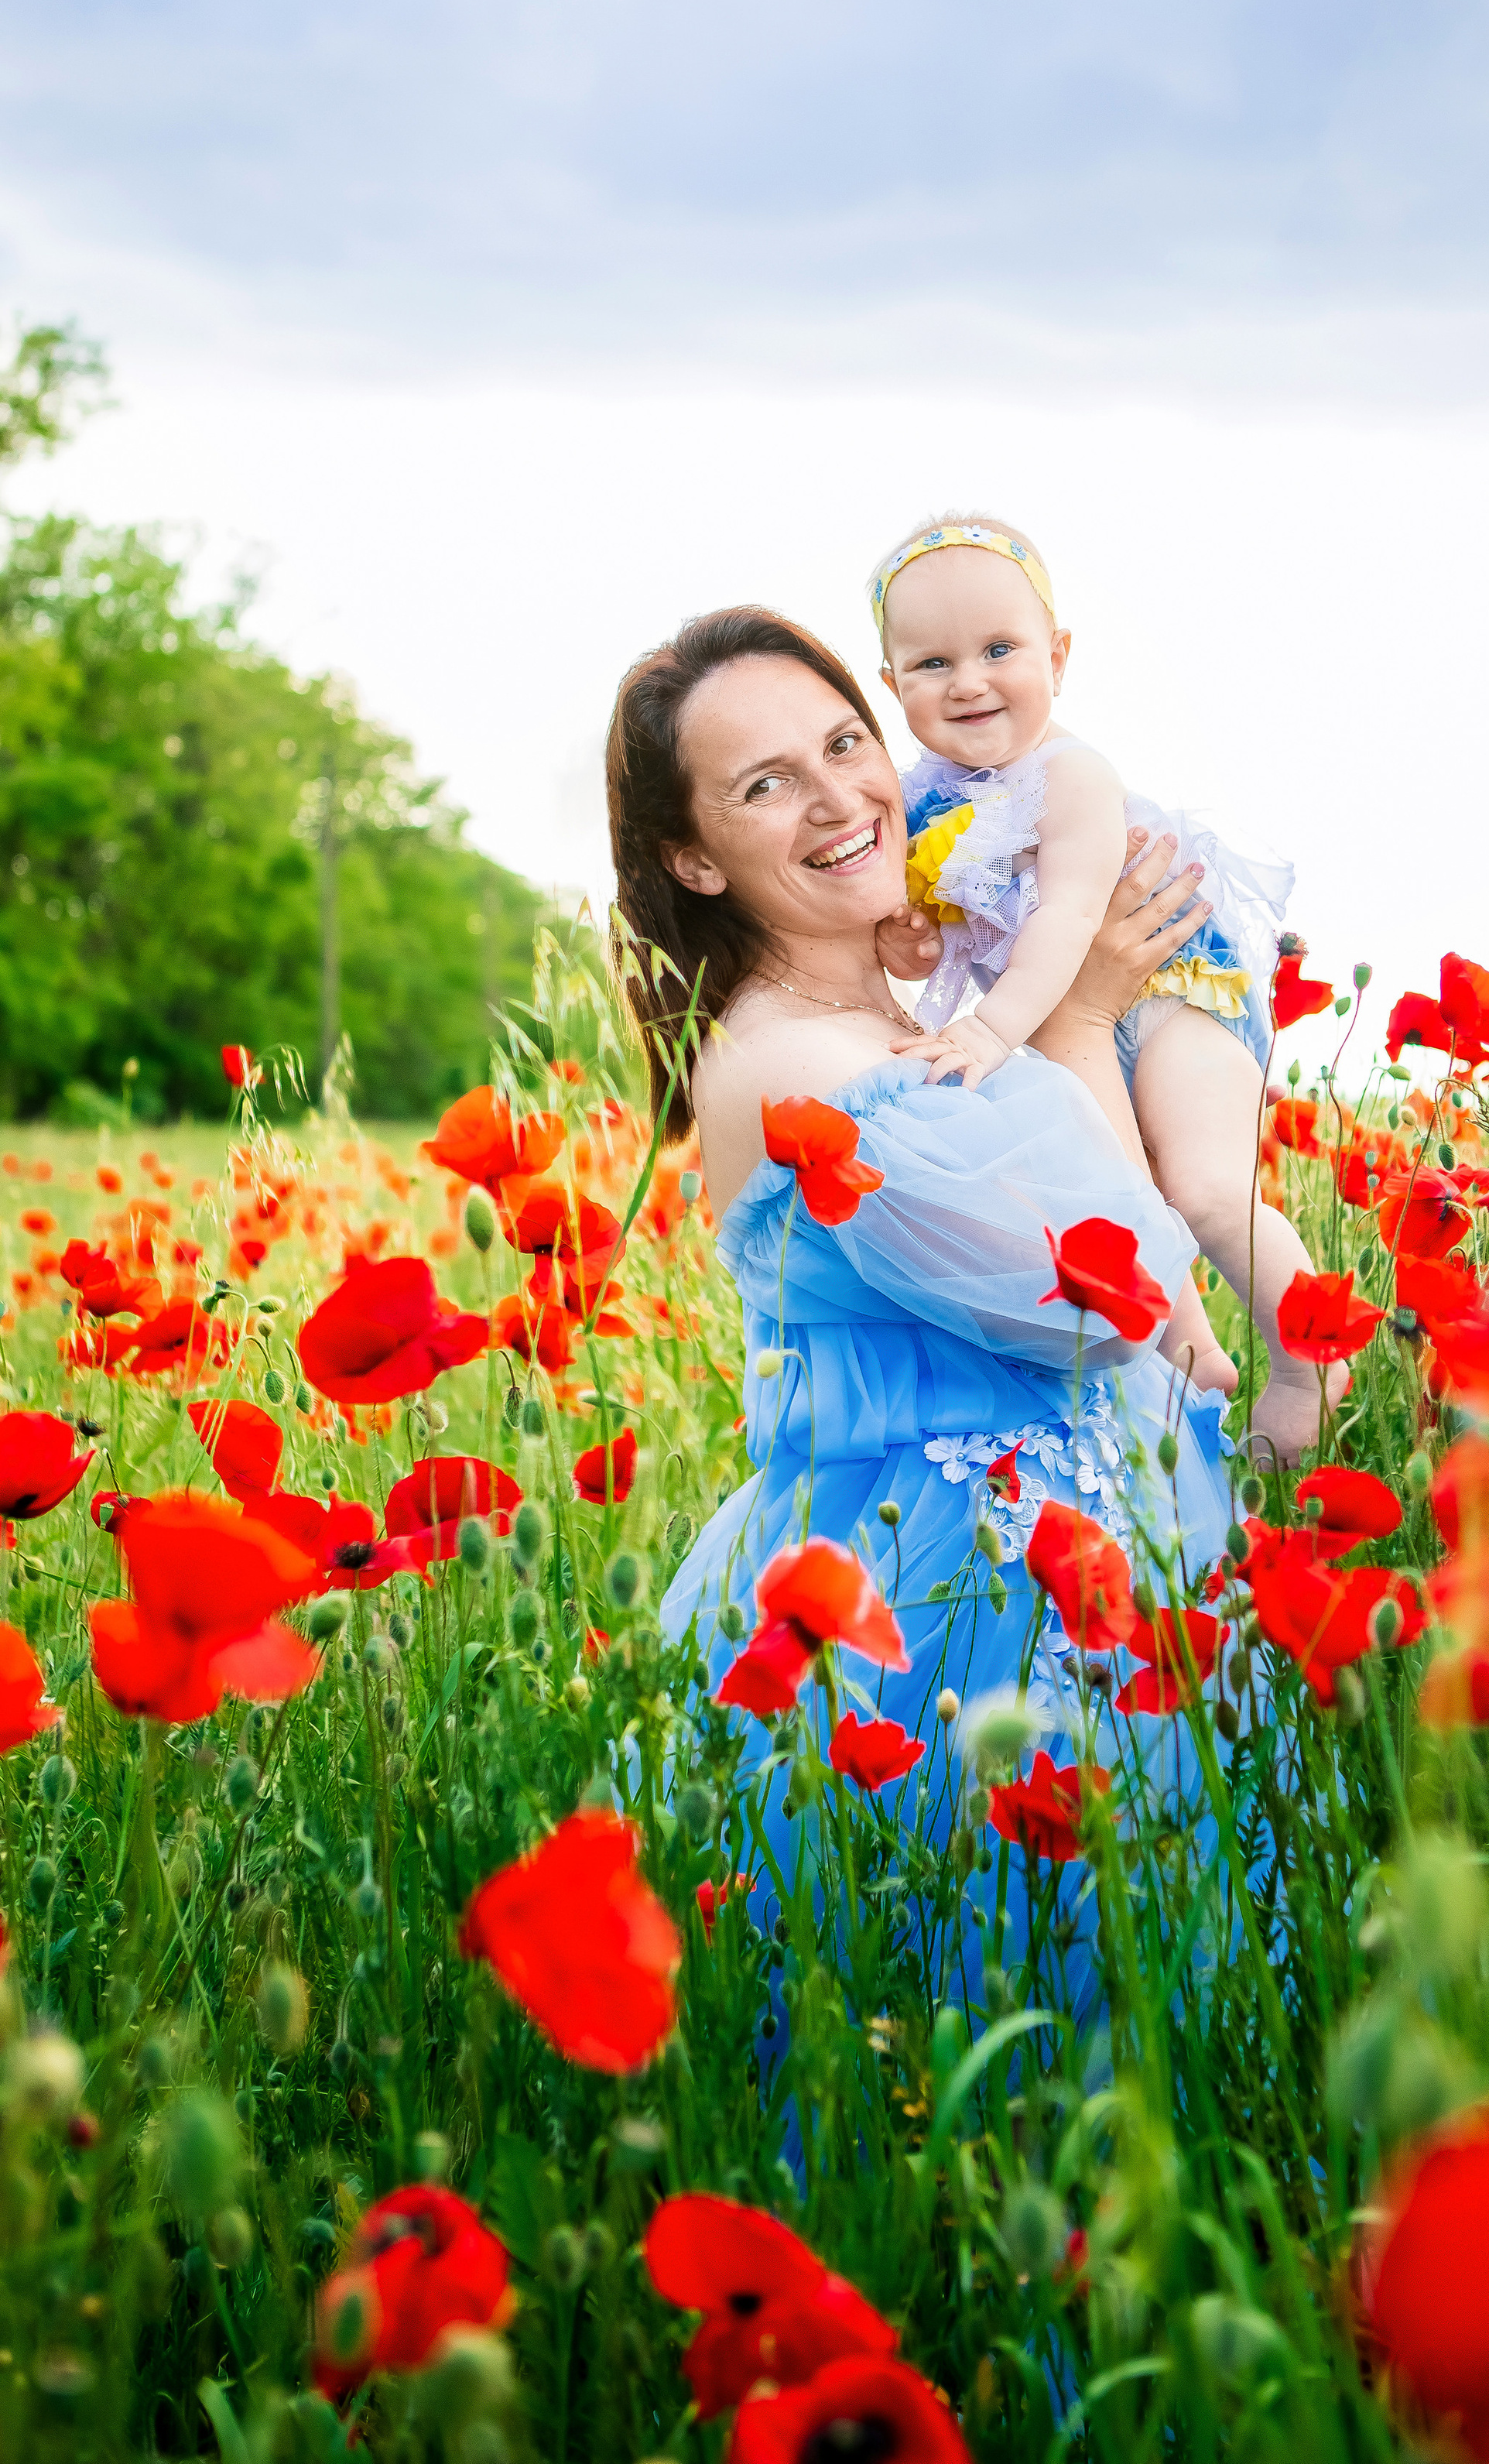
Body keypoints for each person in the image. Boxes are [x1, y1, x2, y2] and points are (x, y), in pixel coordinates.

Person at [603, 606, 1243, 2013]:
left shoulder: (913, 1020)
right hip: (947, 1605)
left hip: (1085, 1550)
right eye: (766, 782)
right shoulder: (794, 1071)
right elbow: (1083, 1296)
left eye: (844, 742)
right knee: (998, 2012)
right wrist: (1080, 1023)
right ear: (694, 855)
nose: (839, 796)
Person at [867, 511, 1320, 1461]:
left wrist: (989, 1034)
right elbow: (927, 936)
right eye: (933, 664)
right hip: (1054, 1013)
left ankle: (1308, 1359)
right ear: (891, 683)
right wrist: (911, 943)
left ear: (1058, 655)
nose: (971, 681)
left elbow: (1070, 917)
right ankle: (1193, 1358)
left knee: (1198, 1184)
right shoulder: (918, 803)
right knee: (1120, 1205)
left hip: (1174, 990)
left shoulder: (1070, 775)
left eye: (1000, 649)